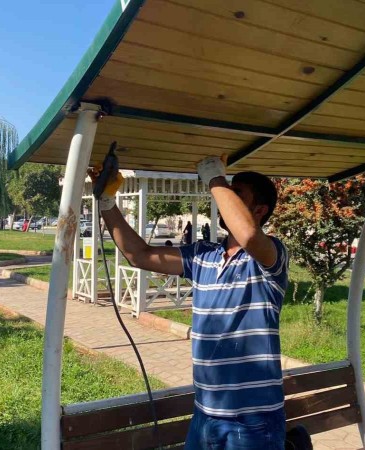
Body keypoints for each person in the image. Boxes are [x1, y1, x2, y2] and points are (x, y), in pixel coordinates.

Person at [91, 156, 288, 449]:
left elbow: (248, 235)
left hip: (253, 420)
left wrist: (214, 176)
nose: (224, 196)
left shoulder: (270, 256)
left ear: (259, 210)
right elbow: (139, 255)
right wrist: (107, 202)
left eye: (236, 194)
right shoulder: (202, 255)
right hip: (205, 413)